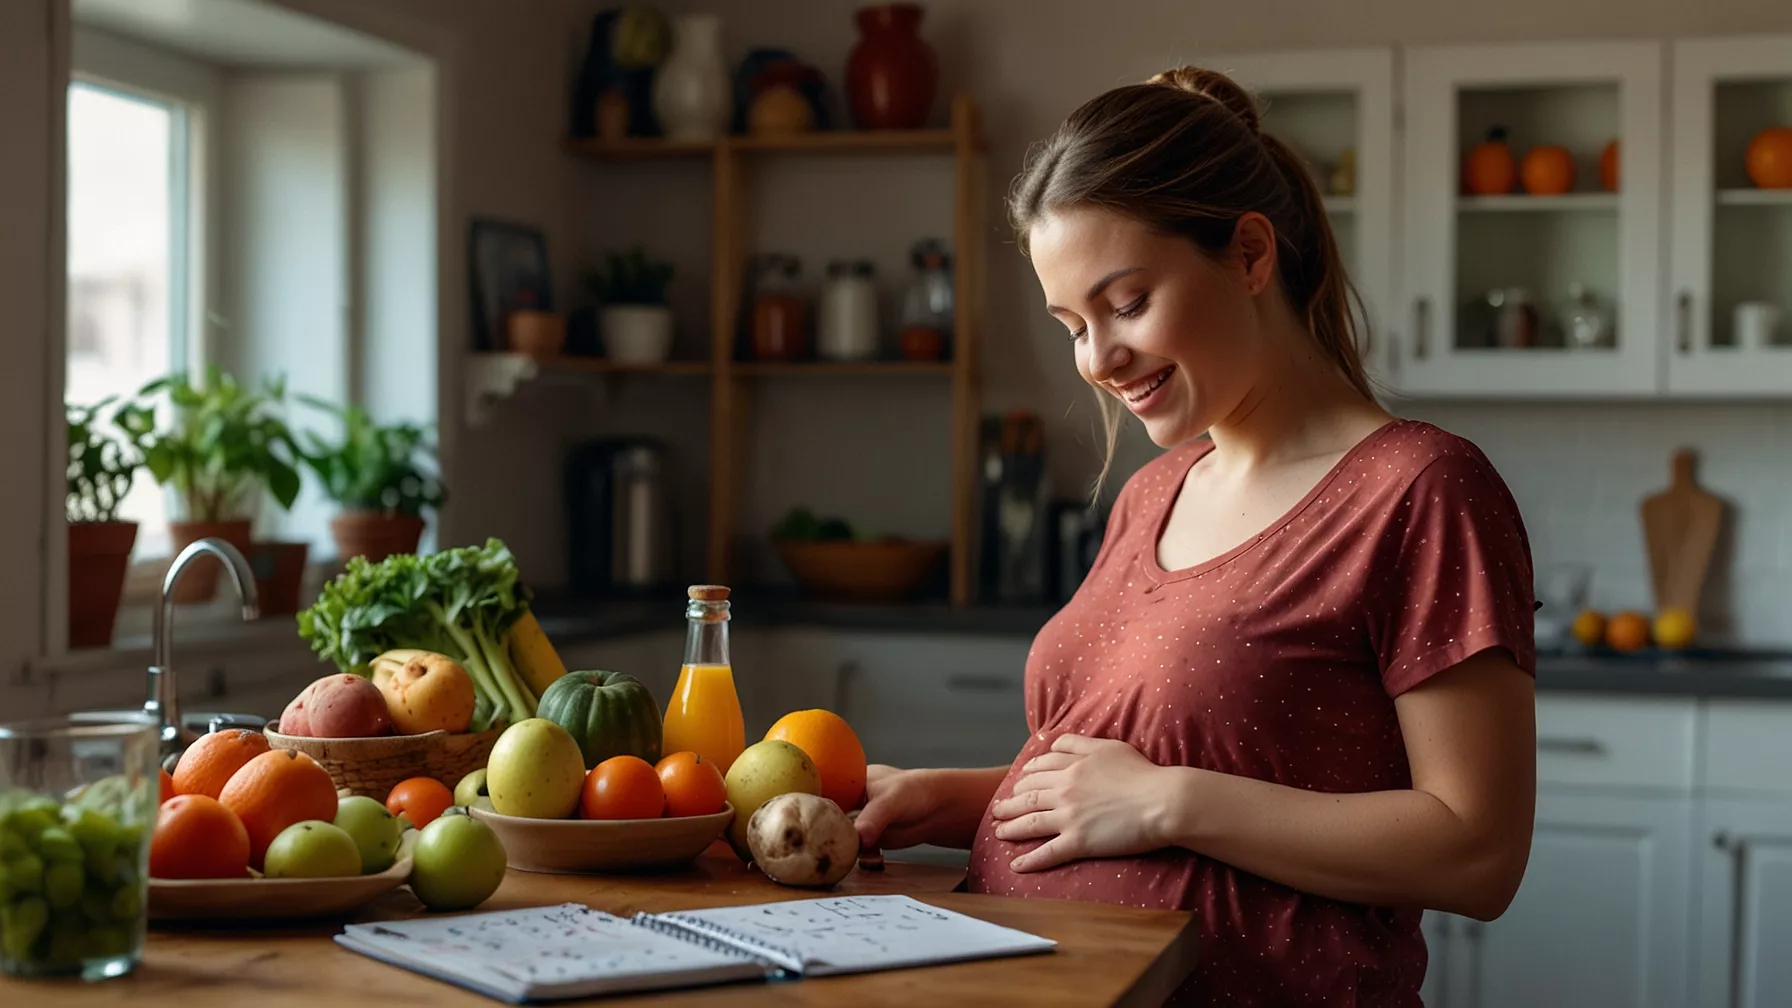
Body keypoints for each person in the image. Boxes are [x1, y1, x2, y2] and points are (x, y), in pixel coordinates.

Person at [852, 65, 1538, 1006]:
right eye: (1072, 324)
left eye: (1126, 304)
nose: (1098, 360)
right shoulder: (1154, 492)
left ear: (1251, 255)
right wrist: (954, 799)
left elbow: (1477, 850)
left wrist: (1172, 800)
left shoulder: (1419, 489)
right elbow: (1128, 771)